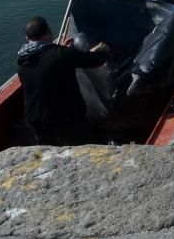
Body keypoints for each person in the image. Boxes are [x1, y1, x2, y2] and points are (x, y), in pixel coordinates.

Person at [16, 16, 110, 145]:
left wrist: (63, 50)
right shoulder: (61, 55)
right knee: (83, 150)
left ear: (28, 38)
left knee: (48, 154)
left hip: (36, 120)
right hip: (65, 119)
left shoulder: (22, 62)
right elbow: (94, 60)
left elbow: (47, 64)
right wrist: (102, 51)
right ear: (49, 33)